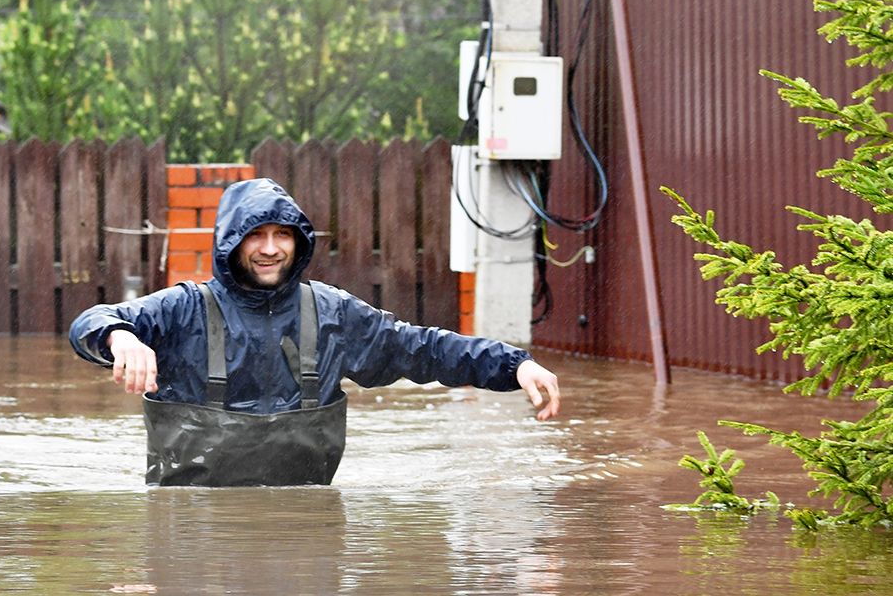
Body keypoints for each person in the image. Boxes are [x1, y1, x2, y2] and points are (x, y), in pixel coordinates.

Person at [70, 178, 561, 487]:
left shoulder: (332, 313)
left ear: (298, 242)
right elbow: (90, 322)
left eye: (281, 235)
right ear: (230, 243)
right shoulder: (183, 309)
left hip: (302, 536)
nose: (268, 249)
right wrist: (122, 338)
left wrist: (514, 363)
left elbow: (422, 349)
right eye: (254, 236)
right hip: (193, 535)